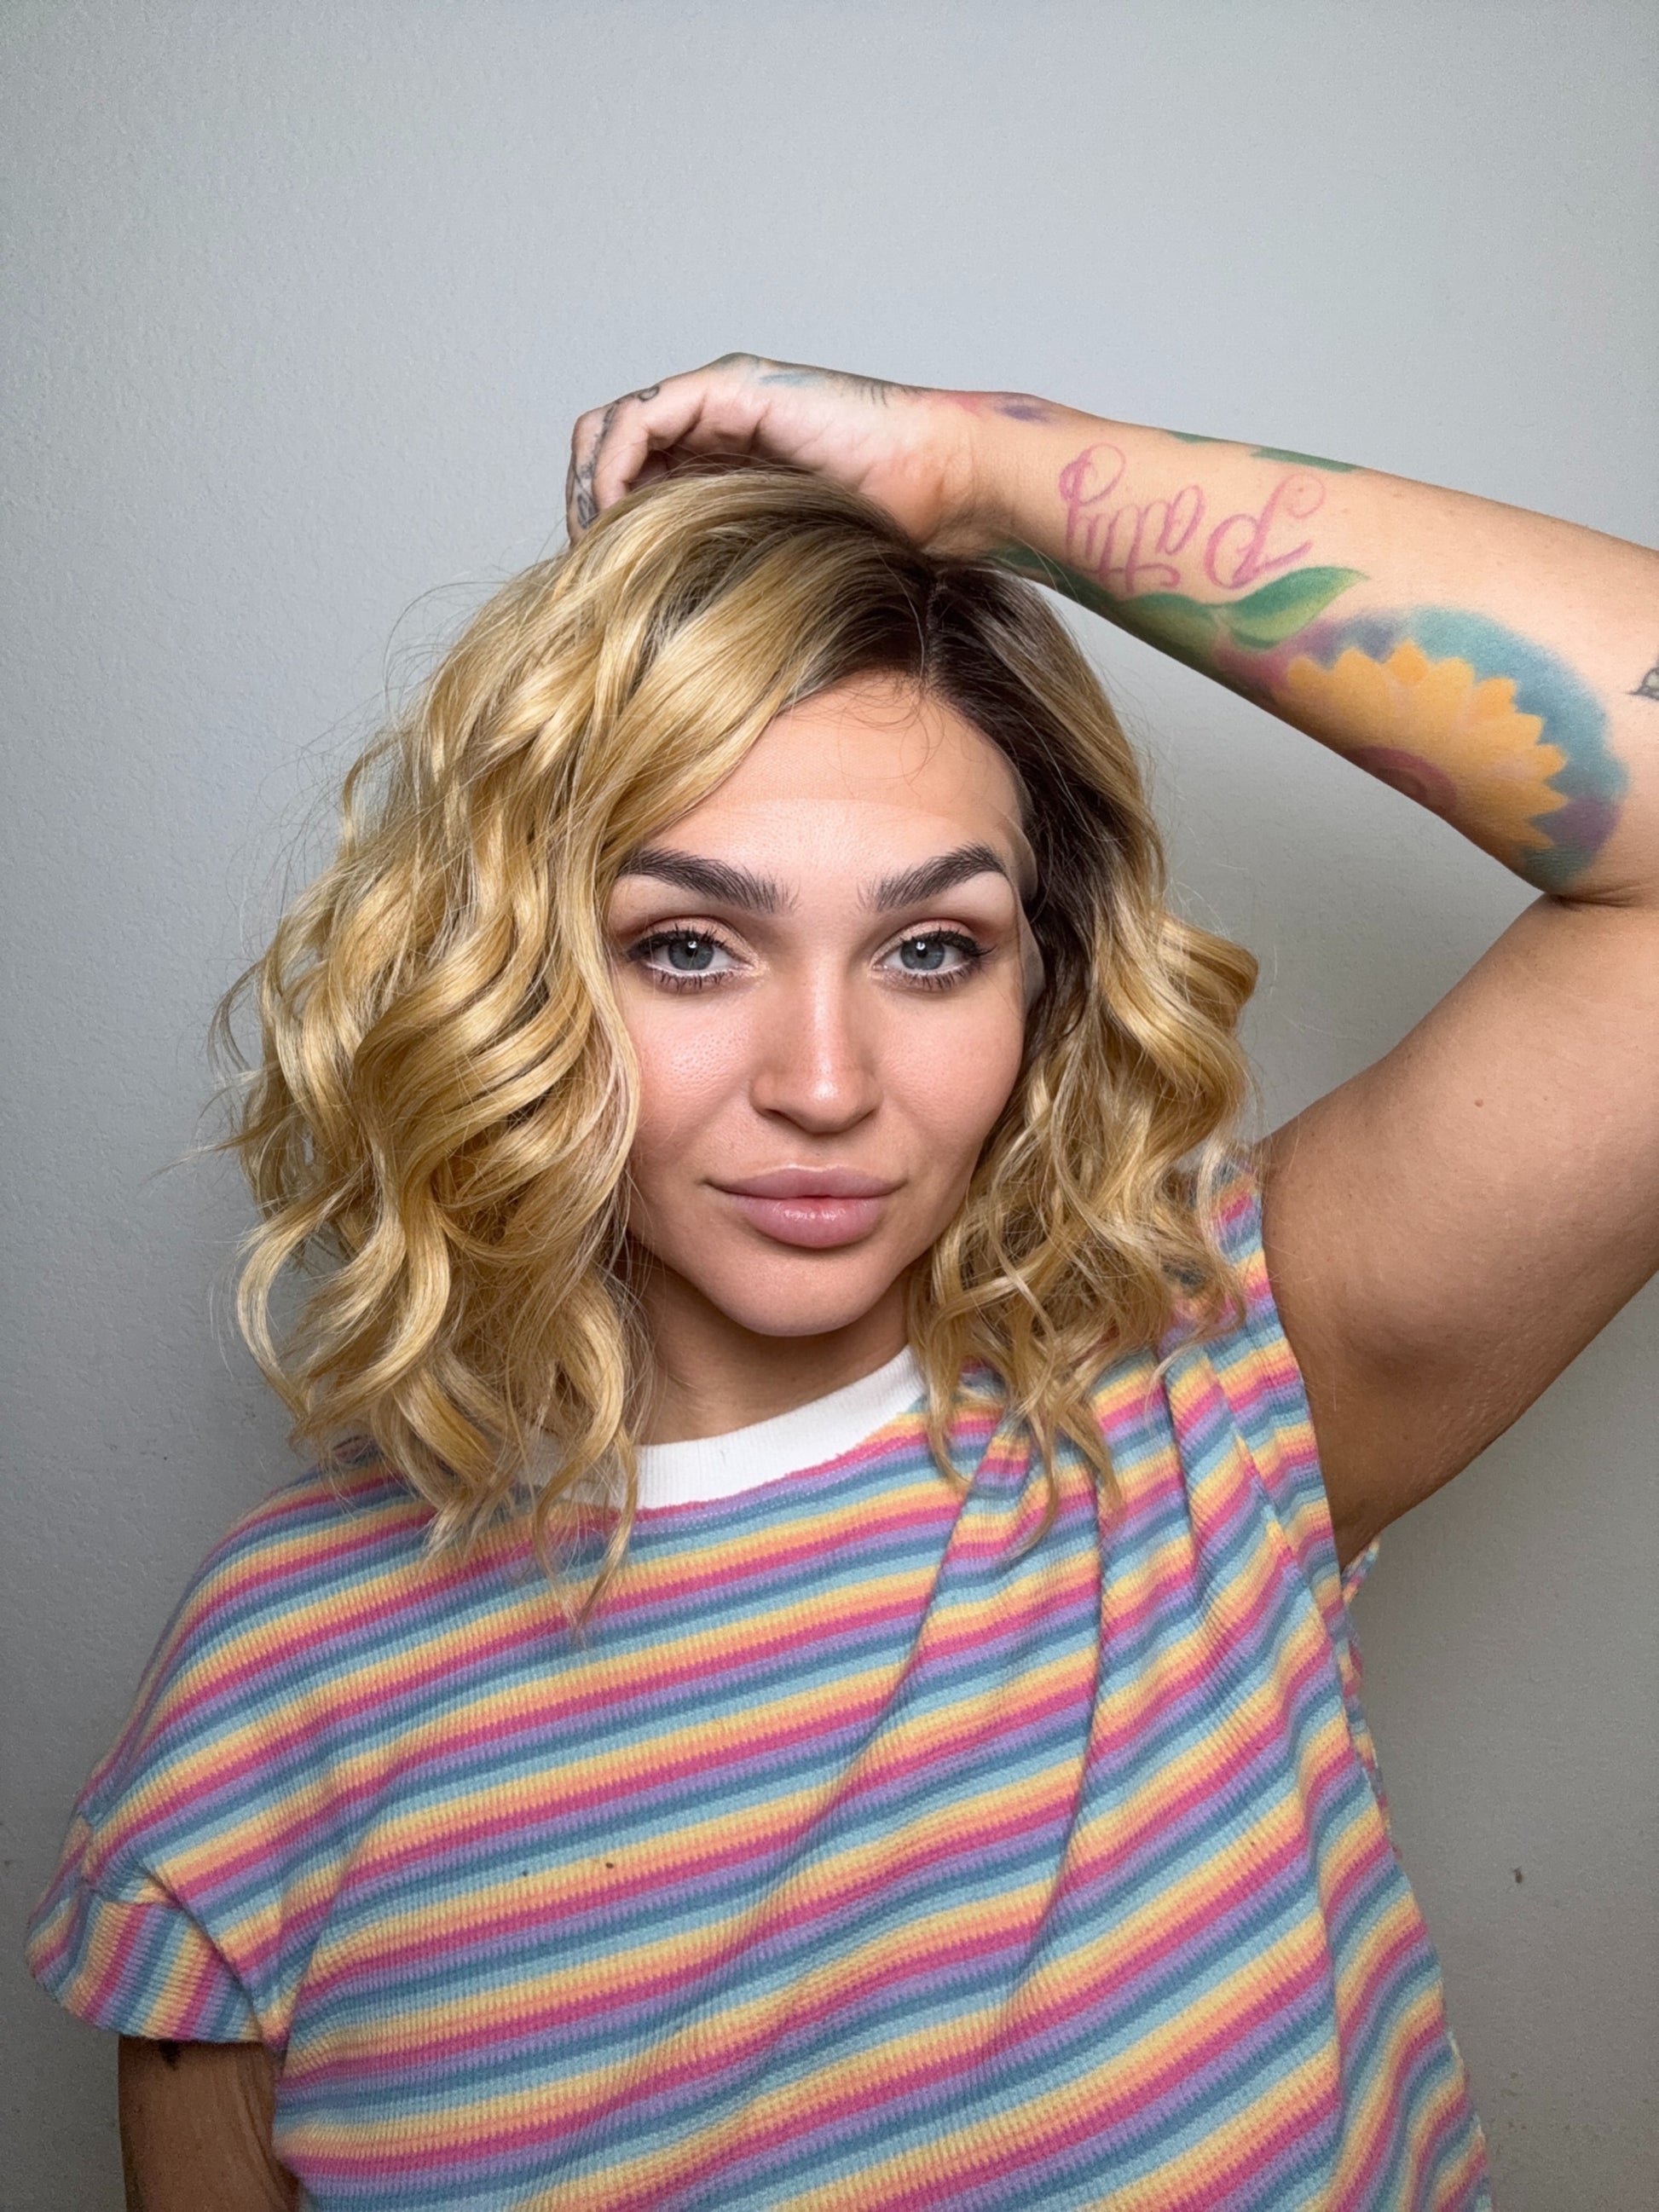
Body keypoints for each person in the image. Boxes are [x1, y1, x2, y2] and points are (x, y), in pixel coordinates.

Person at [27, 355, 1658, 2211]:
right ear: (519, 980)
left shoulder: (1211, 1397)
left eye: (932, 946)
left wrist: (983, 470)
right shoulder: (270, 1691)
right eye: (689, 945)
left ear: (1044, 986)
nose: (822, 1083)